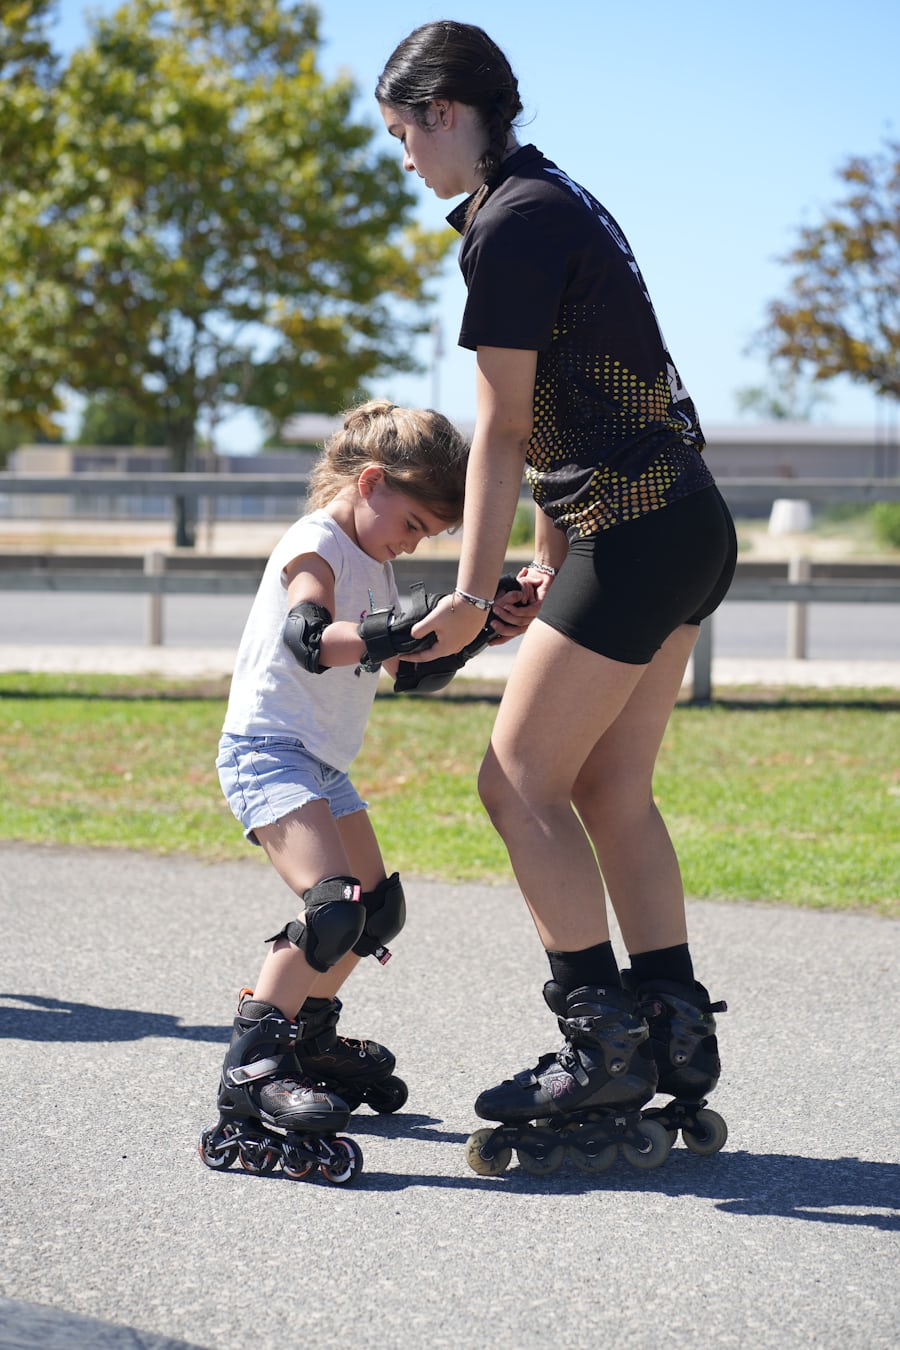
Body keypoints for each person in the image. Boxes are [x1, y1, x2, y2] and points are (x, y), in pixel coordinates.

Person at [375, 22, 737, 1163]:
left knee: (515, 781)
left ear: (443, 112)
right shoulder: (556, 197)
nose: (404, 159)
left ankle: (601, 1046)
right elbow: (579, 415)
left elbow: (502, 428)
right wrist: (542, 563)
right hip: (683, 523)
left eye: (403, 135)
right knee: (610, 786)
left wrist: (468, 598)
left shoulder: (508, 225)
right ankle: (674, 1030)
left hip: (638, 535)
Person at [199, 398, 517, 1181]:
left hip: (320, 762)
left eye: (427, 536)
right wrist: (400, 627)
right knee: (333, 908)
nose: (413, 542)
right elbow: (309, 638)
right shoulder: (315, 543)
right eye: (413, 524)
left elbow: (408, 672)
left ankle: (307, 1038)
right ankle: (250, 1073)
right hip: (267, 752)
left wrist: (488, 625)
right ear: (371, 482)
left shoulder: (374, 559)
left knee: (376, 910)